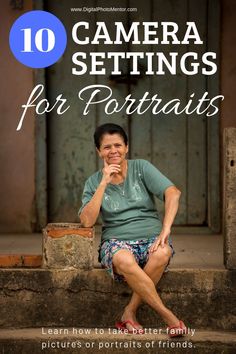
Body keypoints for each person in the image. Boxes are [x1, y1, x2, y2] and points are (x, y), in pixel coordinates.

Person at [79, 123, 186, 337]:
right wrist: (103, 184)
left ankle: (129, 311)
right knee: (125, 260)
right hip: (117, 242)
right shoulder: (93, 182)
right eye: (107, 147)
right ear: (99, 151)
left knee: (163, 252)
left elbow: (173, 193)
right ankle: (168, 316)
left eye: (118, 145)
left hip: (150, 238)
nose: (113, 151)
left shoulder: (141, 168)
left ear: (126, 147)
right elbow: (87, 221)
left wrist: (165, 230)